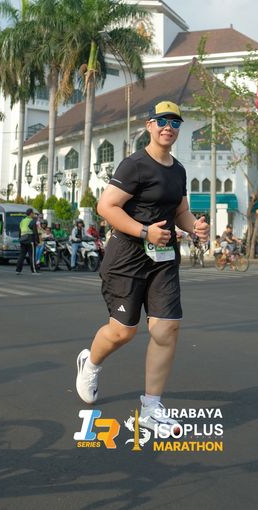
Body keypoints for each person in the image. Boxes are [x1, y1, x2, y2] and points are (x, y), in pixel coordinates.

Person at [75, 100, 209, 430]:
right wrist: (144, 231)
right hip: (127, 257)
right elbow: (106, 207)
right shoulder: (134, 165)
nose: (168, 127)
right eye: (162, 121)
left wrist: (195, 226)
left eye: (175, 122)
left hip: (163, 260)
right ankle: (91, 363)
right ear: (149, 125)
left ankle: (151, 407)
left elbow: (180, 211)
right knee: (123, 331)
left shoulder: (178, 170)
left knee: (166, 329)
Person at [16, 208, 39, 274]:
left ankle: (18, 270)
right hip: (30, 239)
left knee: (22, 255)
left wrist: (20, 239)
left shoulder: (22, 221)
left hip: (23, 239)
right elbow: (35, 231)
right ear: (31, 213)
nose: (34, 214)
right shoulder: (32, 221)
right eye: (33, 213)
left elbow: (20, 231)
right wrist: (37, 241)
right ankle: (34, 270)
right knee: (32, 256)